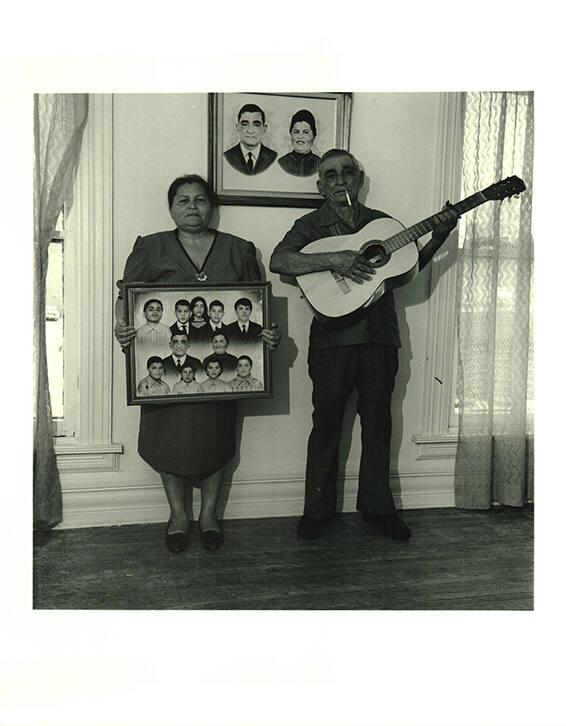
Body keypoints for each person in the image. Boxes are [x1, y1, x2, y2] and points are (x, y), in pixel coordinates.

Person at [269, 149, 458, 541]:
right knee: (325, 426)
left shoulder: (384, 225)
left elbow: (403, 273)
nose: (340, 181)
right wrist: (335, 258)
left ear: (359, 178)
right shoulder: (309, 225)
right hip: (331, 341)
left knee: (378, 424)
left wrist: (438, 235)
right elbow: (279, 260)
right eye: (330, 175)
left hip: (379, 337)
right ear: (320, 185)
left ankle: (378, 508)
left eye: (347, 173)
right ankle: (316, 511)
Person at [115, 173, 280, 554]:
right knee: (167, 440)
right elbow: (126, 295)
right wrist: (121, 328)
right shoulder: (150, 247)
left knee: (215, 438)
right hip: (162, 364)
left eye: (201, 199)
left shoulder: (239, 249)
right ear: (171, 207)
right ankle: (178, 516)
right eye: (183, 200)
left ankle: (208, 515)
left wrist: (266, 335)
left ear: (212, 206)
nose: (193, 207)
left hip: (219, 368)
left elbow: (257, 303)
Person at [224, 103, 277, 175]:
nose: (250, 130)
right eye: (245, 124)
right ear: (237, 127)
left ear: (264, 128)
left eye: (256, 125)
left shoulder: (274, 157)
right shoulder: (227, 157)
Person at [277, 109, 321, 177]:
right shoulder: (281, 163)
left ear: (314, 136)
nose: (300, 136)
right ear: (291, 134)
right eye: (296, 132)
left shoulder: (322, 164)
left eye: (306, 132)